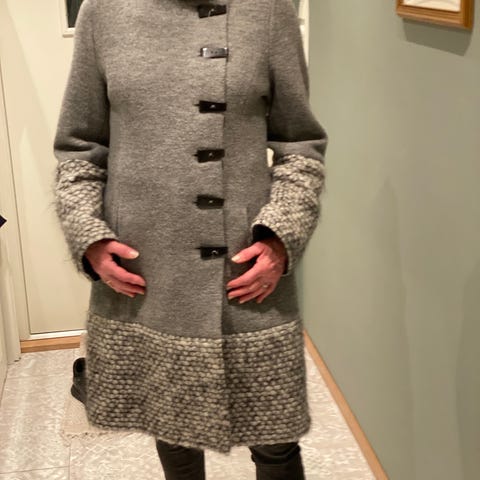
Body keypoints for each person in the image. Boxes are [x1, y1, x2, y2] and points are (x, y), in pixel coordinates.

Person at [52, 0, 327, 478]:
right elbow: (78, 149)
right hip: (149, 273)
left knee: (275, 441)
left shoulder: (268, 10)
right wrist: (88, 236)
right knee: (173, 433)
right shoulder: (104, 12)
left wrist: (282, 235)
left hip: (248, 271)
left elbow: (300, 145)